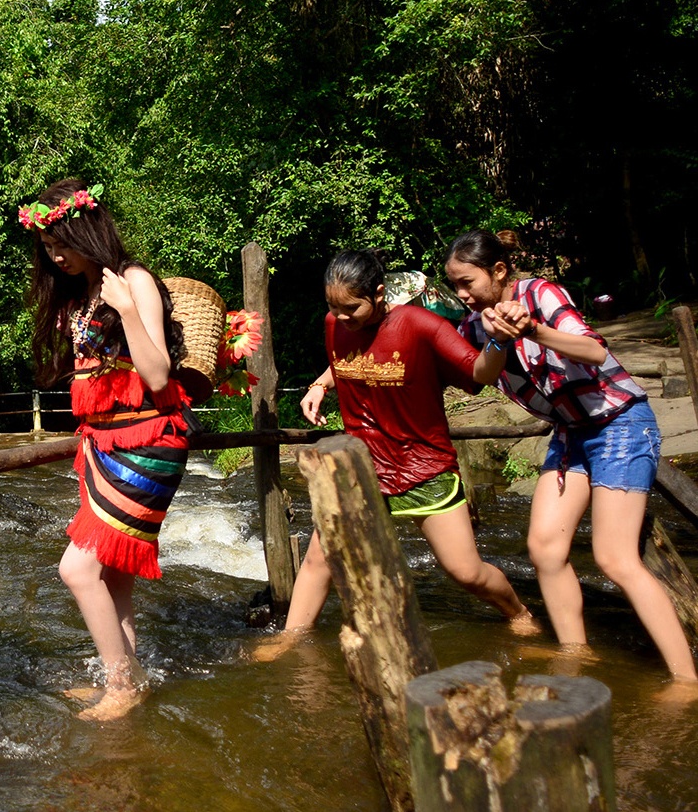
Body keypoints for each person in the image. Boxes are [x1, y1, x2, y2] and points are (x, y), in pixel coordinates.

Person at [254, 250, 535, 661]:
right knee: (319, 560)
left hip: (424, 466)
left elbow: (480, 373)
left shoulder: (422, 326)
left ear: (380, 293)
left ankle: (519, 611)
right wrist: (320, 383)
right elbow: (351, 357)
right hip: (360, 467)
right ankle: (292, 639)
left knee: (465, 572)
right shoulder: (336, 323)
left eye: (351, 307)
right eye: (333, 307)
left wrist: (498, 341)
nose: (341, 316)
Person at [445, 229, 697, 682]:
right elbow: (473, 370)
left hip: (619, 423)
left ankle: (686, 681)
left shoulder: (537, 293)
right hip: (571, 434)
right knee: (544, 549)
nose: (462, 294)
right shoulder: (472, 325)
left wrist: (533, 329)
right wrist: (497, 340)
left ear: (499, 271)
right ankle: (576, 655)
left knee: (615, 559)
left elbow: (594, 350)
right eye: (455, 286)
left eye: (468, 282)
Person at [22, 179, 193, 721]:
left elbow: (158, 373)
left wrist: (127, 310)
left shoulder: (134, 280)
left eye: (62, 243)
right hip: (101, 444)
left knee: (77, 568)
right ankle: (128, 670)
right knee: (112, 568)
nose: (56, 256)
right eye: (48, 248)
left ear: (87, 231)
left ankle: (120, 685)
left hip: (149, 441)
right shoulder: (77, 296)